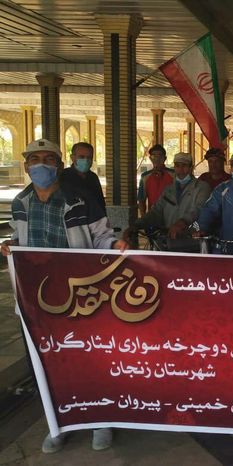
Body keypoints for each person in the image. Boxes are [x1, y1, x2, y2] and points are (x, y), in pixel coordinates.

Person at [1, 138, 128, 453]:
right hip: (36, 300)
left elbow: (101, 236)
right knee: (47, 364)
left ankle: (100, 420)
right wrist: (11, 245)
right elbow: (21, 237)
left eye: (48, 159)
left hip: (79, 297)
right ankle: (58, 424)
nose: (41, 165)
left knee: (89, 359)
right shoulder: (20, 203)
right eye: (35, 159)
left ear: (59, 165)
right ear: (26, 165)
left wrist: (114, 246)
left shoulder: (81, 200)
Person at [124, 152, 211, 242]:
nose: (180, 169)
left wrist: (181, 223)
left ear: (191, 168)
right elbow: (156, 211)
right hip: (169, 238)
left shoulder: (202, 187)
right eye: (177, 165)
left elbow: (198, 209)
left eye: (184, 165)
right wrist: (137, 225)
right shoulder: (168, 190)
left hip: (192, 240)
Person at [59, 142, 105, 212]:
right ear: (72, 158)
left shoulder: (93, 177)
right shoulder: (63, 176)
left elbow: (100, 202)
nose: (86, 160)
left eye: (89, 157)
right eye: (82, 157)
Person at [137, 144, 174, 216]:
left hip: (171, 216)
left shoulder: (174, 175)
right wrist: (144, 217)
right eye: (154, 156)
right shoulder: (145, 177)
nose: (157, 159)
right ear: (150, 158)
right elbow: (141, 200)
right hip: (153, 216)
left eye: (160, 156)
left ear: (165, 158)